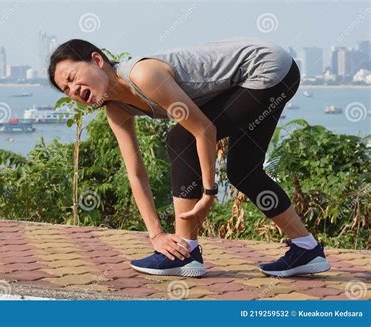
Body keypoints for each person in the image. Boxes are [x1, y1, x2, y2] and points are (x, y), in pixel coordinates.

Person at [47, 37, 331, 277]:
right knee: (244, 170)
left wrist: (209, 193)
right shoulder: (117, 110)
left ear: (97, 60)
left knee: (180, 137)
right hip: (264, 76)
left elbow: (203, 129)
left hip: (266, 68)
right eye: (66, 90)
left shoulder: (142, 75)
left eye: (72, 78)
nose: (73, 91)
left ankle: (185, 251)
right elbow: (136, 173)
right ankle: (306, 249)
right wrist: (156, 235)